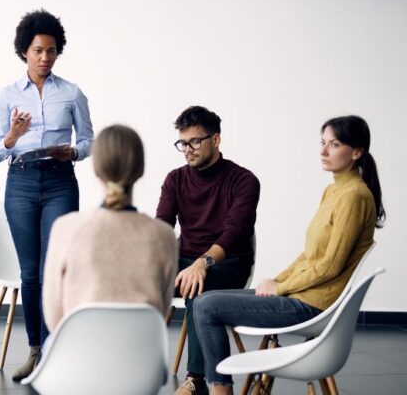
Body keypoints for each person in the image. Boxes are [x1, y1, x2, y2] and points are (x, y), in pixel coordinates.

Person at [192, 115, 383, 395]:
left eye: (335, 144)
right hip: (301, 293)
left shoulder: (354, 196)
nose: (323, 151)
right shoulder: (334, 190)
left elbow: (330, 266)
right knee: (203, 300)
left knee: (207, 307)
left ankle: (221, 391)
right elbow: (310, 255)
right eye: (323, 143)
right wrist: (275, 280)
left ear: (356, 152)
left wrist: (280, 288)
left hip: (312, 304)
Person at [0, 9, 94, 380]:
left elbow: (87, 140)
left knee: (55, 271)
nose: (45, 58)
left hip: (60, 181)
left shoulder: (71, 93)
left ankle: (54, 352)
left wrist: (74, 152)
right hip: (19, 182)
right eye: (38, 50)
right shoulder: (6, 96)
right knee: (30, 274)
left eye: (51, 51)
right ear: (24, 52)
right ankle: (35, 349)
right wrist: (13, 137)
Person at [155, 105, 260, 395]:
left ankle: (197, 380)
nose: (188, 149)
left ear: (216, 139)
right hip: (184, 259)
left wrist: (203, 262)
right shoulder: (175, 179)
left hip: (229, 265)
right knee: (133, 278)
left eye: (195, 142)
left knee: (197, 284)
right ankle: (129, 367)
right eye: (183, 143)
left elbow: (235, 231)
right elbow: (163, 226)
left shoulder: (244, 180)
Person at [43, 124, 178, 330]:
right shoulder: (164, 235)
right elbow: (161, 314)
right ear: (141, 169)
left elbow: (54, 320)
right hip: (142, 361)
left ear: (96, 169)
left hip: (79, 358)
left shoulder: (65, 229)